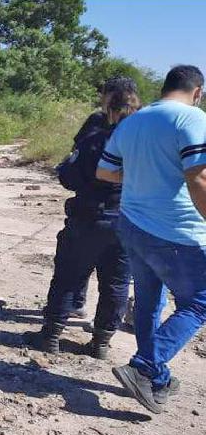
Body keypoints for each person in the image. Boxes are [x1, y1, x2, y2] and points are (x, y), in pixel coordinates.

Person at [96, 65, 206, 414]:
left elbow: (105, 171)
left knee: (148, 303)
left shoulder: (133, 121)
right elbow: (198, 178)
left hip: (132, 227)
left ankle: (155, 377)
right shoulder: (191, 119)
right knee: (200, 302)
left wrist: (145, 175)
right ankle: (144, 365)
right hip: (176, 233)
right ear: (198, 91)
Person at [25, 89, 140, 359]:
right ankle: (101, 343)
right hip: (128, 222)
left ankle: (51, 336)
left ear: (110, 110)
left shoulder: (97, 141)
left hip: (89, 218)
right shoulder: (145, 147)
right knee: (116, 284)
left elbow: (68, 176)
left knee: (69, 276)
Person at [66, 77, 141, 319]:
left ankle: (66, 317)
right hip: (127, 212)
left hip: (95, 205)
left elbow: (75, 161)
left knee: (76, 264)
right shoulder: (142, 126)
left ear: (109, 96)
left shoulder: (100, 124)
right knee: (116, 277)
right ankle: (102, 335)